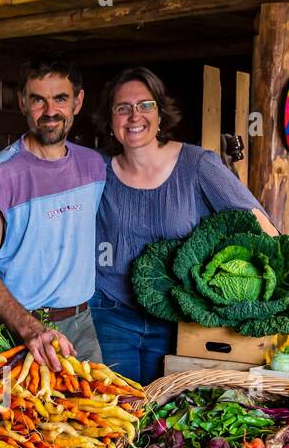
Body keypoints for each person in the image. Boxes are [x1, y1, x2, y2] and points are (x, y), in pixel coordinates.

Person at [91, 66, 278, 384]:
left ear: (161, 114)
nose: (134, 116)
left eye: (145, 105)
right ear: (110, 120)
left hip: (178, 320)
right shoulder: (96, 169)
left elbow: (262, 228)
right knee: (114, 416)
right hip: (110, 315)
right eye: (122, 108)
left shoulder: (197, 165)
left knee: (165, 418)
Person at [0, 53, 106, 372]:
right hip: (19, 330)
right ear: (22, 102)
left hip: (81, 324)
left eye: (60, 99)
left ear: (78, 102)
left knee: (104, 418)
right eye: (38, 100)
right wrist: (30, 328)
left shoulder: (94, 167)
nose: (50, 111)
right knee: (23, 423)